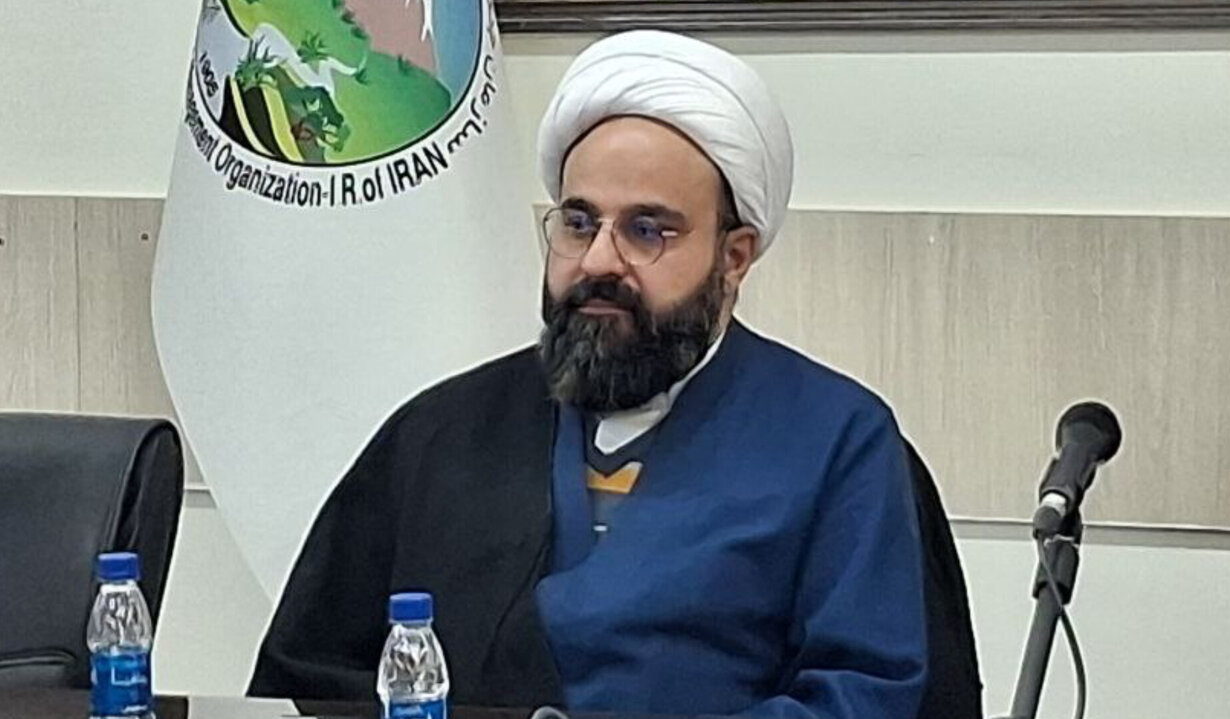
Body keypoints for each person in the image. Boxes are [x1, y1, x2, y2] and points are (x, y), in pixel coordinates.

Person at [250, 30, 928, 719]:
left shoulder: (833, 440)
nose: (599, 260)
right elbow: (307, 683)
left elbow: (863, 696)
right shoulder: (441, 432)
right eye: (579, 223)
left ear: (734, 257)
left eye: (647, 230)